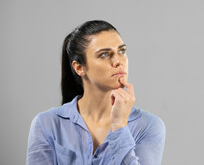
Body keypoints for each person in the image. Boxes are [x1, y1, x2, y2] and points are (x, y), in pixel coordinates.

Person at [26, 20, 166, 165]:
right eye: (104, 55)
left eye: (122, 51)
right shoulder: (47, 123)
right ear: (79, 67)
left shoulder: (149, 126)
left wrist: (119, 126)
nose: (118, 61)